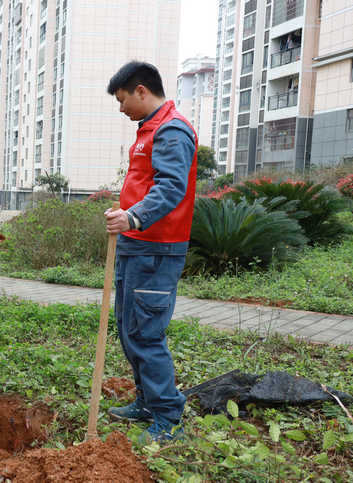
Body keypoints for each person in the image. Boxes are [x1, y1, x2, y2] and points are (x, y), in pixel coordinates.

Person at [103, 61, 198, 444]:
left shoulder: (172, 129)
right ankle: (146, 401)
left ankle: (168, 415)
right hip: (136, 247)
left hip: (157, 250)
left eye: (123, 99)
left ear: (141, 90)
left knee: (145, 334)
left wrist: (134, 217)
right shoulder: (147, 129)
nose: (121, 108)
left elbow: (172, 187)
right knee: (129, 330)